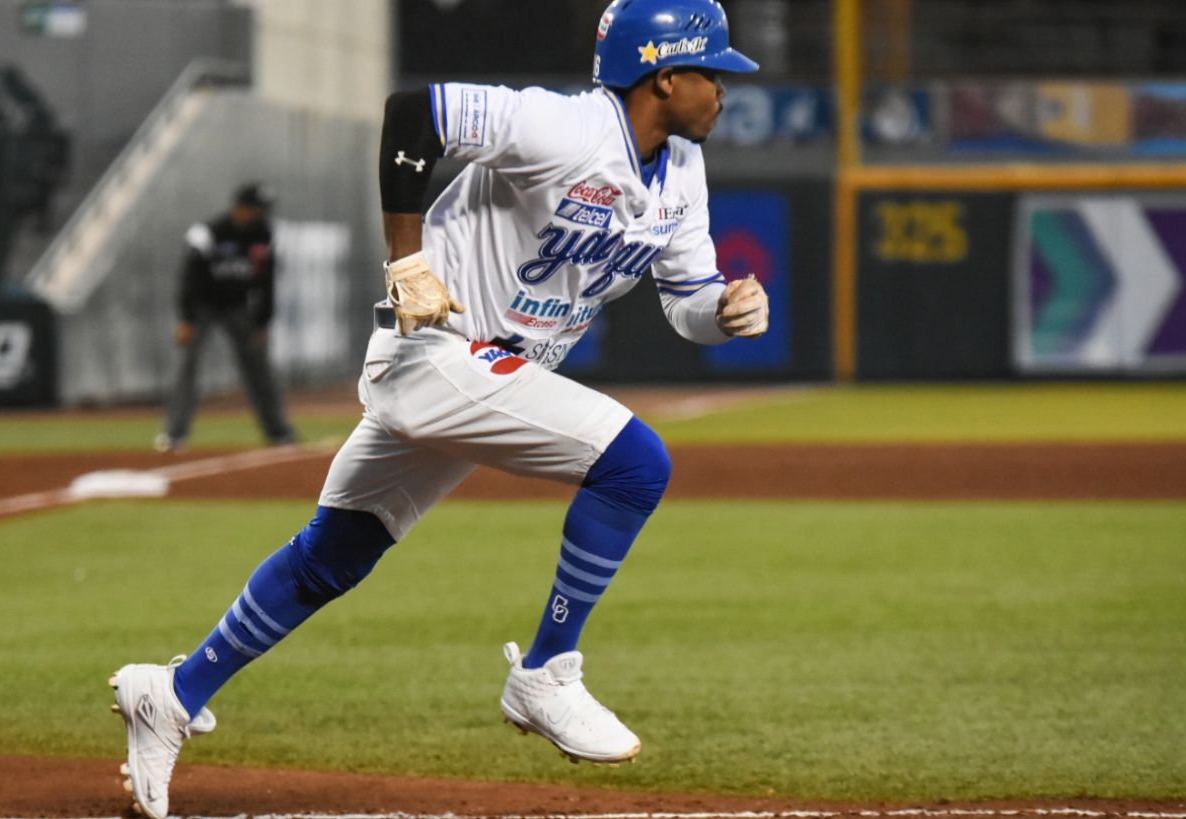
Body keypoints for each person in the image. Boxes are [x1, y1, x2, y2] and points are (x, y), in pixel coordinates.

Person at [111, 1, 769, 816]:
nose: (724, 88)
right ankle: (545, 671)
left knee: (334, 555)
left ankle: (171, 694)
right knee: (636, 463)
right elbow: (413, 114)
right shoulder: (565, 128)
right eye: (711, 71)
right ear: (663, 76)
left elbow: (687, 298)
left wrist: (722, 311)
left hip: (484, 374)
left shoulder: (683, 169)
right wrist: (407, 261)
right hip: (435, 353)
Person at [156, 182, 297, 452]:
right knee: (187, 365)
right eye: (257, 208)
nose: (261, 214)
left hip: (238, 307)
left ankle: (278, 430)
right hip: (203, 306)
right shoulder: (209, 233)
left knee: (259, 366)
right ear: (242, 208)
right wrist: (186, 319)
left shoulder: (263, 235)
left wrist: (263, 322)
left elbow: (266, 283)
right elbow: (189, 278)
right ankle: (174, 433)